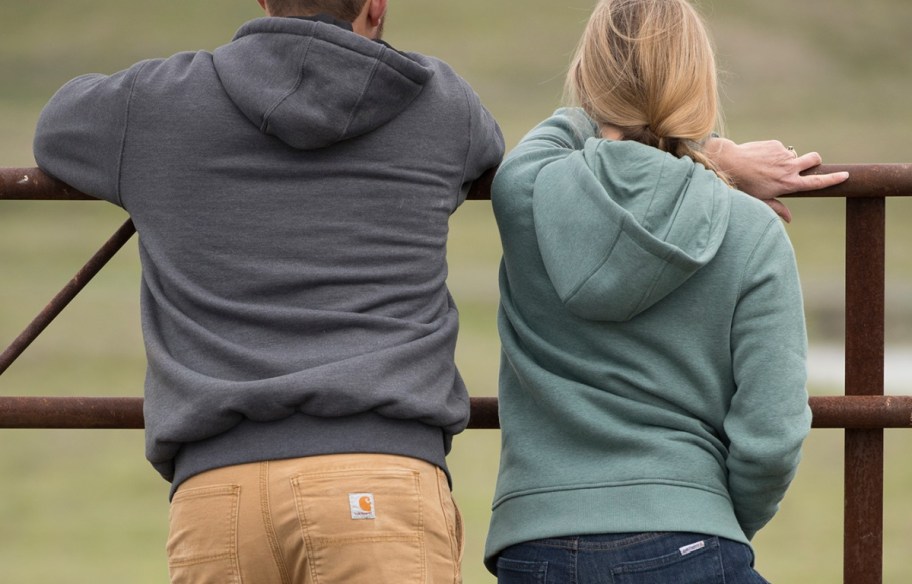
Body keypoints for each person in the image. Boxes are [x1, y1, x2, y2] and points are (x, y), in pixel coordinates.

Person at [33, 1, 504, 582]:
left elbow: (56, 126)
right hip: (382, 478)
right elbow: (491, 151)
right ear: (376, 5)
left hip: (216, 491)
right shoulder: (441, 102)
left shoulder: (154, 101)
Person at [483, 0, 848, 582]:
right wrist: (705, 149)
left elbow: (558, 131)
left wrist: (688, 142)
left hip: (538, 544)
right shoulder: (751, 231)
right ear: (699, 85)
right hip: (693, 536)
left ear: (588, 79)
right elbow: (772, 435)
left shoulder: (525, 192)